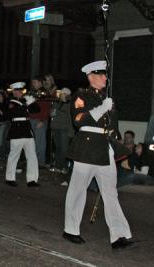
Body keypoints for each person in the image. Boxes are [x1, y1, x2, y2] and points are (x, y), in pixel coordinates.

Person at [63, 60, 134, 249]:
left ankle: (118, 236)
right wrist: (102, 108)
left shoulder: (107, 98)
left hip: (105, 148)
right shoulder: (81, 95)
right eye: (101, 74)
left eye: (105, 74)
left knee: (111, 193)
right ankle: (71, 229)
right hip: (86, 147)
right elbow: (78, 120)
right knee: (78, 190)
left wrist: (118, 142)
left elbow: (113, 127)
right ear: (91, 77)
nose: (105, 78)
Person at [5, 82, 40, 187]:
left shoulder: (26, 100)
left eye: (20, 91)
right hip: (17, 129)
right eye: (17, 91)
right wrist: (26, 105)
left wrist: (32, 101)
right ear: (14, 91)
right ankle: (10, 178)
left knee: (32, 156)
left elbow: (37, 110)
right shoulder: (10, 101)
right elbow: (13, 113)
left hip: (27, 129)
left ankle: (32, 180)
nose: (19, 92)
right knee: (14, 155)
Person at [50, 88, 73, 174]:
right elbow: (51, 113)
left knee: (64, 149)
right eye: (61, 93)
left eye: (62, 93)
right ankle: (58, 166)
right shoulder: (56, 102)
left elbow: (71, 118)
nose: (60, 94)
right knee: (58, 148)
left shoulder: (70, 104)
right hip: (56, 128)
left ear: (66, 94)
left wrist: (71, 132)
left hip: (65, 129)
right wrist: (51, 113)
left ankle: (64, 167)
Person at [29, 76, 51, 167]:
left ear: (40, 82)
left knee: (40, 142)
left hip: (40, 120)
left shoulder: (44, 93)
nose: (33, 84)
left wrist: (42, 120)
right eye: (32, 82)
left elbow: (47, 108)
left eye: (35, 82)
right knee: (32, 142)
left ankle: (40, 162)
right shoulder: (33, 93)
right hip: (32, 119)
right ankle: (33, 161)